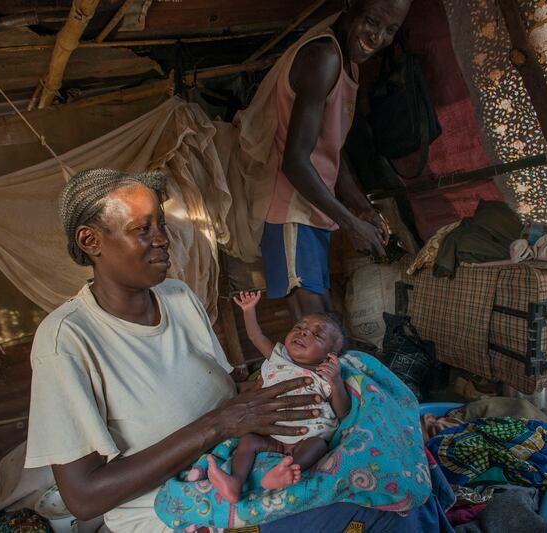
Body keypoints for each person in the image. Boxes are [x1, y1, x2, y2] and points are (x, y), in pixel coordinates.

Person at [24, 169, 324, 533]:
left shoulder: (179, 298)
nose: (163, 239)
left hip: (236, 470)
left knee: (364, 479)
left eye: (162, 225)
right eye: (143, 229)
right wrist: (220, 424)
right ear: (91, 241)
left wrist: (289, 383)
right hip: (166, 513)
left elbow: (228, 395)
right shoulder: (66, 340)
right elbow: (84, 497)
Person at [262, 0, 412, 320]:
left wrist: (362, 208)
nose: (378, 38)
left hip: (312, 213)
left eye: (391, 30)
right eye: (372, 21)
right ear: (349, 5)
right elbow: (295, 162)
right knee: (315, 325)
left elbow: (333, 149)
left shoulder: (349, 65)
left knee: (324, 325)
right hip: (290, 211)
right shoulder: (324, 58)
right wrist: (350, 222)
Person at [207, 290, 350, 503]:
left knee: (317, 447)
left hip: (307, 437)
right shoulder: (278, 356)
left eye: (317, 334)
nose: (303, 333)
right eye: (299, 327)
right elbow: (256, 336)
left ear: (330, 356)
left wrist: (336, 382)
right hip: (273, 437)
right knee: (248, 441)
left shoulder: (323, 375)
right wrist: (248, 310)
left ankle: (288, 470)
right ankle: (235, 482)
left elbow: (343, 411)